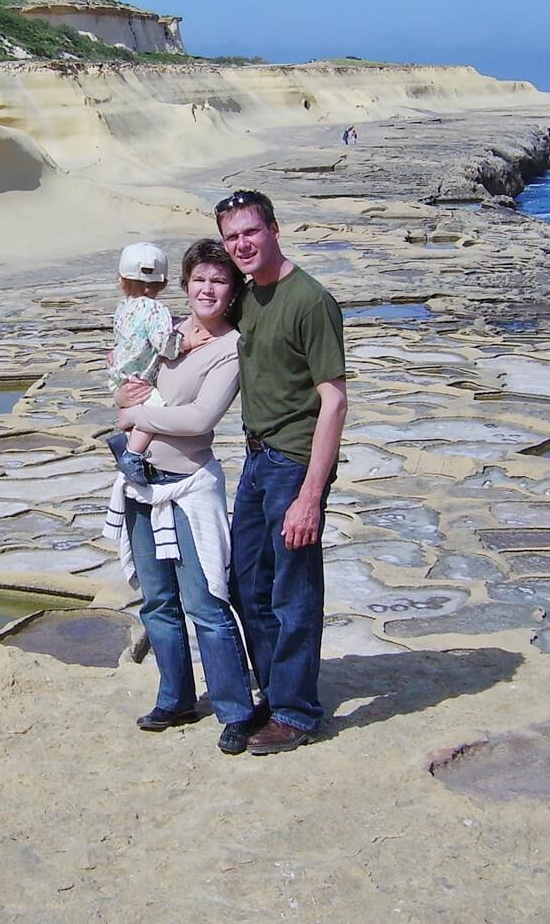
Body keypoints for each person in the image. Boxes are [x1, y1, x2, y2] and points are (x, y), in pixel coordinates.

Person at [105, 239, 264, 755]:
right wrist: (122, 402)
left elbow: (198, 421)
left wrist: (135, 418)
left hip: (190, 488)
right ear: (185, 284)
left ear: (232, 289)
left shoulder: (230, 348)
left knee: (206, 603)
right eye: (199, 279)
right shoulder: (166, 332)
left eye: (219, 281)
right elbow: (131, 387)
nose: (207, 289)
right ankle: (175, 698)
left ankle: (236, 709)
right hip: (141, 486)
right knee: (157, 601)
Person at [215, 189, 347, 755]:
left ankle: (296, 710)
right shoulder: (246, 298)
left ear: (274, 228)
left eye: (251, 231)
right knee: (248, 582)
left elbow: (334, 401)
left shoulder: (310, 301)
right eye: (232, 237)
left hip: (293, 463)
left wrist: (311, 496)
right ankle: (273, 689)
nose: (242, 244)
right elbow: (204, 327)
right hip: (255, 458)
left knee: (293, 588)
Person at [104, 241, 177, 485]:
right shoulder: (155, 310)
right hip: (140, 378)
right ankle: (132, 455)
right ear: (164, 283)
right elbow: (164, 344)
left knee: (131, 412)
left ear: (121, 280)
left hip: (119, 376)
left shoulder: (122, 308)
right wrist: (185, 343)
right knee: (155, 411)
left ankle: (126, 441)